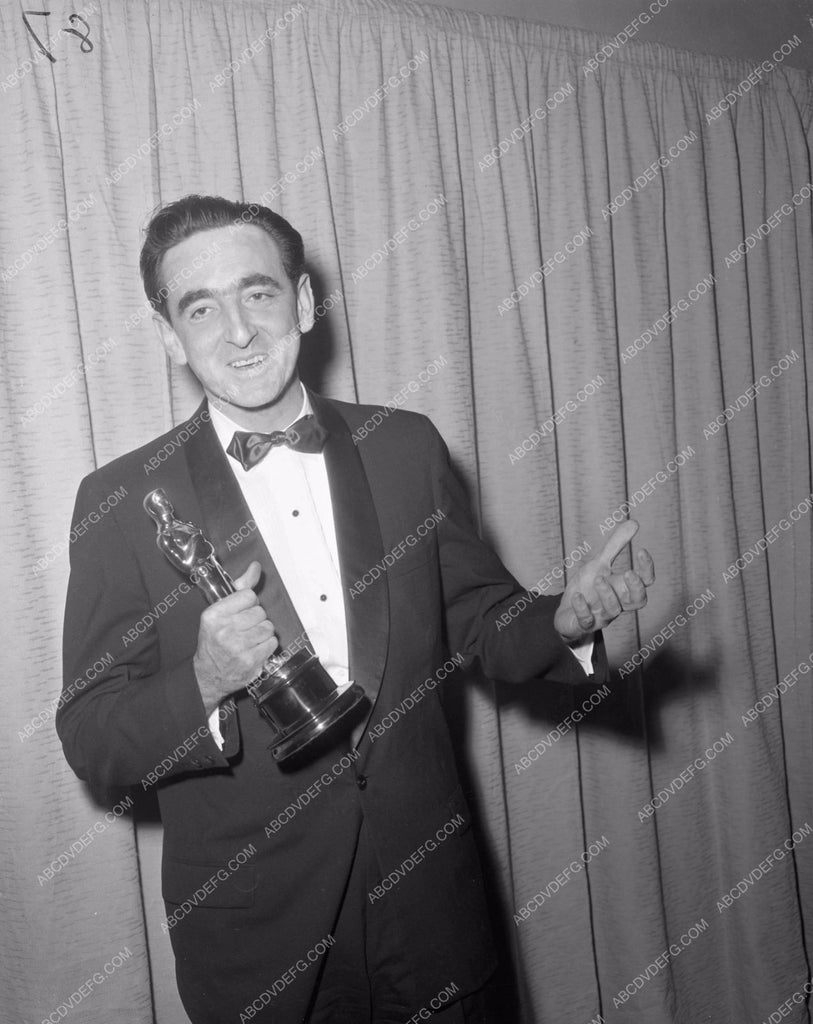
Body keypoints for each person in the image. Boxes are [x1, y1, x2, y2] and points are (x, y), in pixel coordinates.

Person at [57, 195, 655, 1024]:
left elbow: (480, 616)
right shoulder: (120, 500)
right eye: (201, 308)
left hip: (433, 906)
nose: (239, 331)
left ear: (303, 301)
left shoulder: (404, 446)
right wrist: (202, 681)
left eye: (258, 293)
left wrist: (561, 622)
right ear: (169, 335)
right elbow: (90, 734)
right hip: (258, 940)